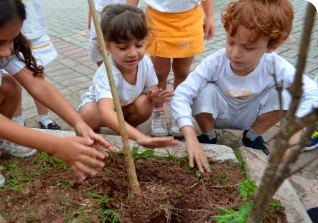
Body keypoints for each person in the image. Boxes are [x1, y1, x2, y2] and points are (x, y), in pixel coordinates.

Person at [0, 0, 114, 187]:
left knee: (8, 86)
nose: (6, 50)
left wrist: (78, 122)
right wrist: (56, 145)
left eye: (12, 39)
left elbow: (37, 84)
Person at [171, 0, 318, 172]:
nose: (235, 54)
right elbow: (182, 93)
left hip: (252, 115)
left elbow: (312, 93)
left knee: (285, 94)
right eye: (231, 42)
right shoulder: (215, 62)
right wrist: (189, 135)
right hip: (219, 113)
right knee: (203, 90)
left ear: (271, 46)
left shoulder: (276, 65)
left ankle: (252, 136)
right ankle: (208, 135)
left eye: (248, 48)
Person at [79, 4, 178, 149]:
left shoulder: (145, 63)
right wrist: (141, 138)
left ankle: (128, 129)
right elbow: (106, 112)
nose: (132, 53)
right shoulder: (107, 73)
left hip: (125, 106)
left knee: (145, 103)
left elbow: (151, 87)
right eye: (123, 48)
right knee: (89, 113)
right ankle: (94, 132)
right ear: (107, 46)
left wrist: (154, 95)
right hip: (102, 109)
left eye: (138, 45)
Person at [127, 0, 216, 138]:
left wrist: (210, 16)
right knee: (159, 74)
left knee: (182, 73)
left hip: (189, 18)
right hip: (157, 19)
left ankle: (179, 113)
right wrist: (129, 15)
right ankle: (158, 111)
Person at [11, 0, 61, 130]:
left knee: (38, 75)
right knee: (12, 80)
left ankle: (44, 118)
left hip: (34, 25)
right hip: (8, 26)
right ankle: (18, 121)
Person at [88, 0, 126, 67]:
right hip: (99, 9)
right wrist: (90, 13)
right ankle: (106, 73)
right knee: (95, 46)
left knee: (124, 45)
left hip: (124, 8)